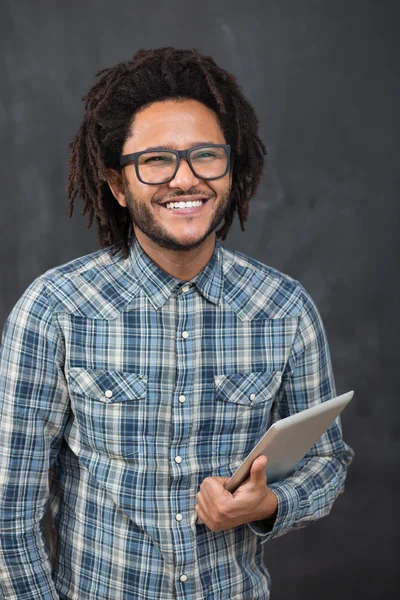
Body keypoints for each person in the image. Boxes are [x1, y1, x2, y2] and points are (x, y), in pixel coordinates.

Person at [0, 47, 354, 600]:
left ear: (231, 170)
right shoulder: (54, 308)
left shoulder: (285, 309)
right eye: (156, 160)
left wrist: (272, 503)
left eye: (205, 156)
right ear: (119, 186)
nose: (185, 179)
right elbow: (9, 513)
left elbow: (328, 462)